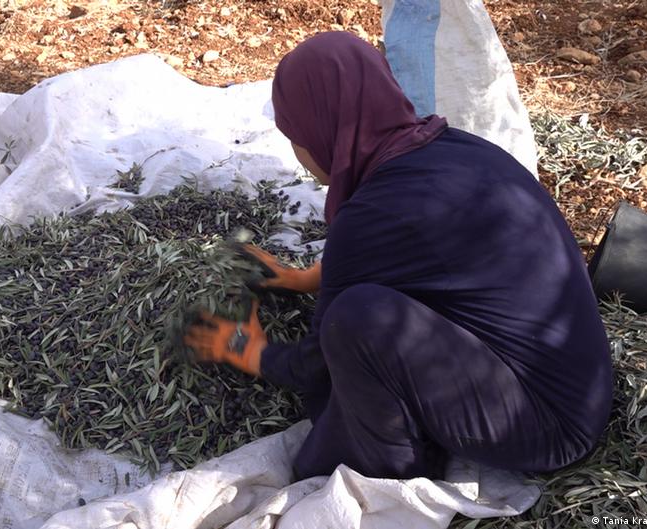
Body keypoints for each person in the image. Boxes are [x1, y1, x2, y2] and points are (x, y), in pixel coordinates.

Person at [182, 32, 613, 481]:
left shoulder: (373, 214)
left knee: (357, 317)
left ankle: (393, 463)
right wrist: (308, 279)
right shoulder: (452, 147)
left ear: (321, 128)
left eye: (293, 133)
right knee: (362, 303)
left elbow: (314, 363)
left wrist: (250, 351)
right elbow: (423, 252)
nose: (296, 151)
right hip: (582, 386)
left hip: (545, 426)